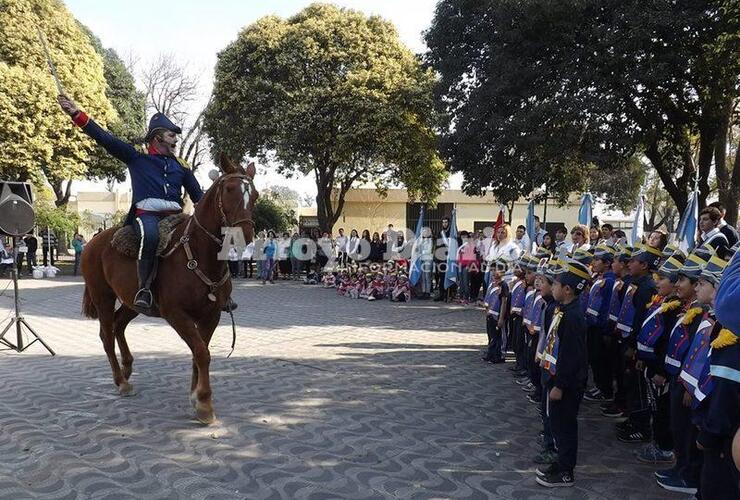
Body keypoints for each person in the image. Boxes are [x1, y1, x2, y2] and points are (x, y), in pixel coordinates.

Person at [57, 94, 203, 311]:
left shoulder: (181, 166)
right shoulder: (137, 158)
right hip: (147, 215)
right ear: (157, 138)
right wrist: (76, 114)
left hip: (176, 216)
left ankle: (216, 290)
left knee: (204, 238)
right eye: (171, 135)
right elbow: (105, 139)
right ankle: (144, 288)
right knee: (151, 235)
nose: (175, 140)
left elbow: (198, 195)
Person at [656, 249, 710, 494]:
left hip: (689, 383)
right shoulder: (689, 308)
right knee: (678, 426)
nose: (678, 285)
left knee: (687, 430)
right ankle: (680, 467)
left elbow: (700, 354)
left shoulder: (702, 315)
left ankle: (688, 474)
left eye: (683, 281)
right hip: (678, 377)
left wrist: (690, 385)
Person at [536, 259, 591, 488]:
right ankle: (560, 462)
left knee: (565, 427)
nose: (553, 287)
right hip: (555, 378)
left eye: (556, 283)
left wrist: (559, 385)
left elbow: (571, 357)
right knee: (557, 425)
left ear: (567, 289)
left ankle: (566, 471)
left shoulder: (573, 316)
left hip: (566, 384)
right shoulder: (563, 309)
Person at [634, 251, 685, 464]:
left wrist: (660, 371)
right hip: (651, 364)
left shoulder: (675, 309)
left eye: (662, 278)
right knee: (655, 407)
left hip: (661, 371)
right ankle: (658, 442)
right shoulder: (661, 301)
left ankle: (664, 447)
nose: (657, 282)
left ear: (674, 285)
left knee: (662, 410)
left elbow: (668, 344)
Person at [583, 244, 616, 403]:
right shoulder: (599, 278)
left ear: (607, 263)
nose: (593, 262)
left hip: (599, 327)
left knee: (601, 359)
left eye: (597, 259)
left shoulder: (609, 282)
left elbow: (607, 307)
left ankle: (605, 389)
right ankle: (599, 385)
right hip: (592, 325)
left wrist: (605, 330)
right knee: (595, 359)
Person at [482, 258, 510, 363]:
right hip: (490, 314)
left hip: (498, 315)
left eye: (496, 270)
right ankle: (491, 353)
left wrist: (501, 318)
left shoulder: (503, 285)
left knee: (499, 336)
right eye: (492, 270)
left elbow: (504, 302)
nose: (493, 272)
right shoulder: (492, 284)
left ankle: (499, 355)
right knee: (491, 335)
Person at [434, 216, 452, 301]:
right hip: (441, 258)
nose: (444, 224)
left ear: (449, 223)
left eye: (446, 222)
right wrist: (436, 259)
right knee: (441, 277)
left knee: (448, 277)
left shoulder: (452, 233)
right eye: (443, 222)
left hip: (449, 258)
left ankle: (449, 295)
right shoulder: (440, 233)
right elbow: (437, 246)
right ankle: (441, 294)